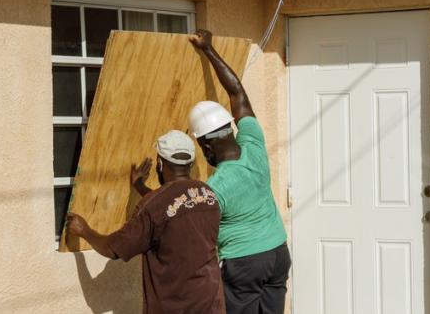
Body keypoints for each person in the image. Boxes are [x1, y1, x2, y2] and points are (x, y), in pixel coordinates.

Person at [65, 130, 225, 314]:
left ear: (160, 163)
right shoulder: (208, 195)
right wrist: (139, 186)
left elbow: (112, 248)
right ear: (190, 163)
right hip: (211, 304)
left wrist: (84, 230)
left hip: (173, 308)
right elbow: (174, 206)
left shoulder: (153, 207)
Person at [188, 29, 290, 314]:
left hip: (244, 263)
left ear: (206, 145)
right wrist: (209, 50)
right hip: (278, 253)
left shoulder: (216, 187)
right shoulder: (253, 143)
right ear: (229, 129)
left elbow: (195, 226)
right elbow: (237, 93)